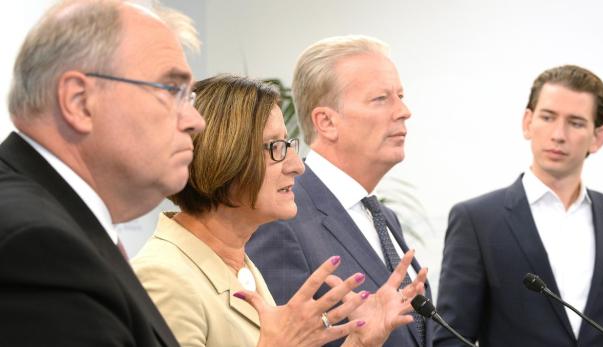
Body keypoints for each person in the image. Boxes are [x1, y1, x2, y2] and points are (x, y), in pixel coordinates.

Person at [131, 74, 427, 347]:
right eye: (274, 147)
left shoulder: (240, 266)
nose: (297, 166)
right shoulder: (163, 277)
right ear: (223, 155)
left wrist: (359, 343)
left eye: (288, 144)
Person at [0, 1, 205, 346]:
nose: (195, 122)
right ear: (79, 102)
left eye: (190, 97)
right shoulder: (38, 247)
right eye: (172, 91)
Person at [246, 35, 433, 347]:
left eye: (400, 96)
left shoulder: (384, 217)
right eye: (381, 99)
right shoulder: (280, 215)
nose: (404, 111)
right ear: (326, 122)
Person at [434, 65, 603, 347]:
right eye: (547, 117)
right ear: (527, 122)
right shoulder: (476, 220)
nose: (558, 134)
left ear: (598, 137)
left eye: (576, 123)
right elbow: (451, 338)